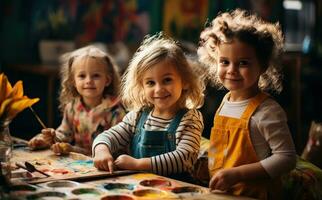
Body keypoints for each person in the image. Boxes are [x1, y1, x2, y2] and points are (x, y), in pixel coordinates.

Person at [197, 9, 296, 199]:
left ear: (263, 66)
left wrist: (238, 174)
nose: (232, 70)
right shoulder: (225, 101)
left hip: (254, 195)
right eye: (224, 62)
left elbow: (286, 158)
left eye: (243, 63)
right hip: (222, 194)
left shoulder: (267, 111)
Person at [92, 33, 205, 181]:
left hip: (175, 191)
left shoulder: (190, 119)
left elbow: (183, 158)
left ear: (184, 81)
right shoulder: (137, 116)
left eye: (167, 80)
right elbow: (108, 136)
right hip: (139, 188)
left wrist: (138, 164)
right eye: (151, 83)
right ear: (142, 86)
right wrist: (101, 150)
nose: (159, 89)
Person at [28, 45, 126, 156]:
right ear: (73, 81)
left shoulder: (115, 111)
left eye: (96, 76)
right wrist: (51, 138)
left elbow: (118, 150)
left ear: (107, 80)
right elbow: (65, 133)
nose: (88, 81)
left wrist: (73, 150)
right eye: (82, 76)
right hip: (78, 165)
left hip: (107, 165)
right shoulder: (72, 107)